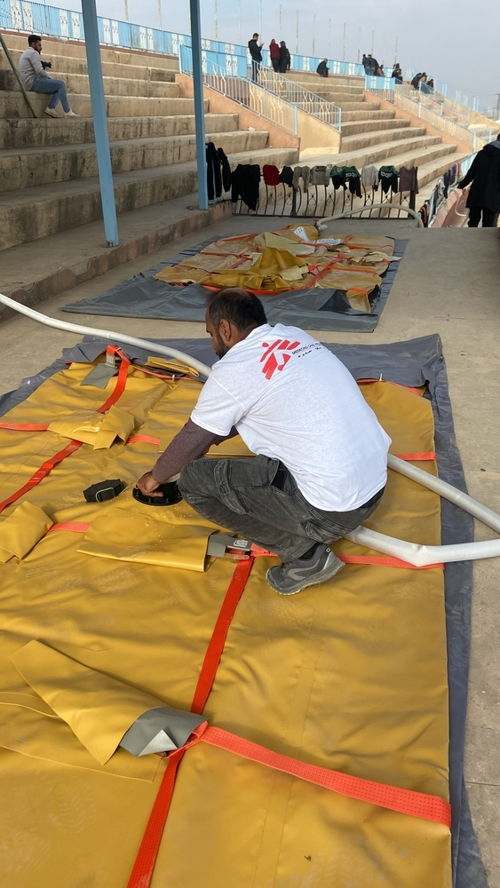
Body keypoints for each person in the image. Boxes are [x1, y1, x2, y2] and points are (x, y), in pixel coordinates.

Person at [136, 289, 390, 596]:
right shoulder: (295, 337)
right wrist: (211, 436)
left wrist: (155, 477)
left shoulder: (233, 370)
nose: (212, 342)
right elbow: (260, 407)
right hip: (375, 486)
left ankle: (304, 557)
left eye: (211, 334)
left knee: (192, 479)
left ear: (225, 329)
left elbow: (193, 438)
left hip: (332, 512)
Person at [18, 34, 78, 118]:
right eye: (39, 45)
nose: (40, 47)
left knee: (58, 88)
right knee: (61, 84)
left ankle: (51, 107)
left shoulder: (26, 53)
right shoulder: (33, 53)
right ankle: (67, 111)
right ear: (33, 44)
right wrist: (50, 78)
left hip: (28, 83)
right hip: (32, 83)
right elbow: (39, 71)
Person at [458, 135, 500, 227]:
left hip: (477, 192)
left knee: (473, 222)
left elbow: (472, 171)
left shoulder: (482, 153)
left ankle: (471, 240)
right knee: (488, 225)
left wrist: (463, 184)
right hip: (493, 195)